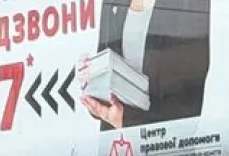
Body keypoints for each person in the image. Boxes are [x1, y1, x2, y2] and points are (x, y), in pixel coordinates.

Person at [83, 0, 213, 130]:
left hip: (162, 145)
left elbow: (188, 101)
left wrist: (126, 121)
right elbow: (106, 71)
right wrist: (94, 88)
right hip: (113, 142)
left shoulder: (190, 4)